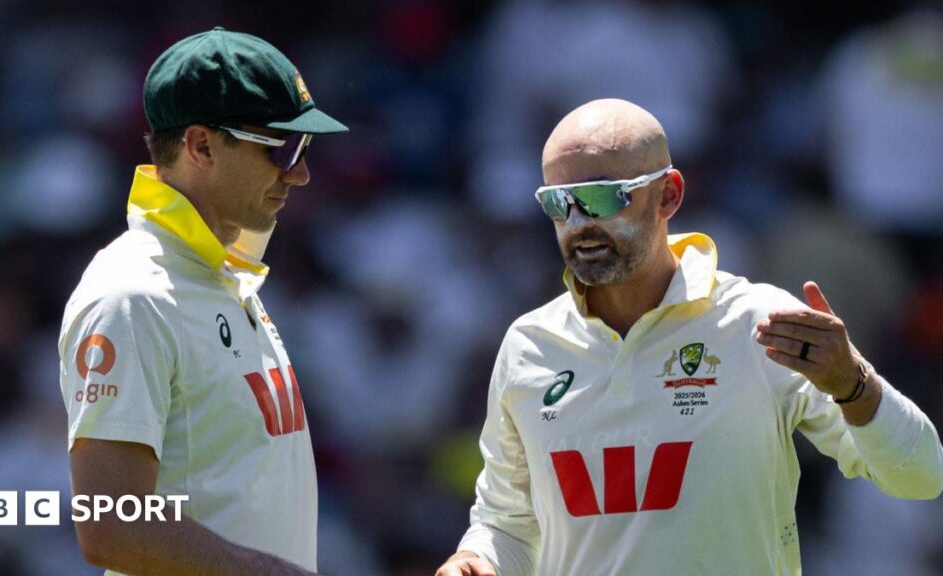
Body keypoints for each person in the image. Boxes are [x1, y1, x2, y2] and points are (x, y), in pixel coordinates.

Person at [436, 99, 943, 576]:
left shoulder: (759, 322)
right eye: (557, 202)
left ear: (669, 195)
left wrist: (854, 386)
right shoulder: (530, 345)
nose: (577, 223)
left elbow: (921, 477)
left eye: (599, 198)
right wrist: (475, 560)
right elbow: (507, 524)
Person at [58, 27, 347, 575]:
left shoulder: (220, 277)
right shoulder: (132, 295)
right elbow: (108, 524)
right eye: (281, 147)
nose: (301, 173)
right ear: (201, 146)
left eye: (305, 148)